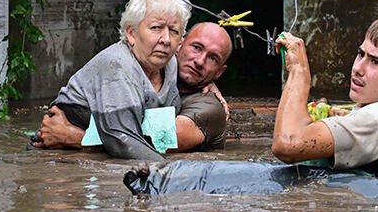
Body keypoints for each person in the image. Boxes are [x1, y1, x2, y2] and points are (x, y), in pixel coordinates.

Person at [37, 0, 191, 161]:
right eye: (156, 28)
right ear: (131, 34)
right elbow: (123, 141)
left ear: (181, 40)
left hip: (90, 151)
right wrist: (175, 174)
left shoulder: (171, 64)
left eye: (173, 31)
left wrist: (211, 86)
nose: (165, 39)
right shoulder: (117, 64)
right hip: (59, 161)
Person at [271, 16, 378, 175]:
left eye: (375, 62)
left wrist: (299, 70)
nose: (358, 68)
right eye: (361, 54)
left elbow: (288, 144)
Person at [36, 21, 234, 154]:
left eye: (212, 58)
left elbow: (155, 144)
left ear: (219, 72)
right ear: (178, 45)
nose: (200, 61)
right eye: (196, 48)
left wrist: (71, 137)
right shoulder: (151, 71)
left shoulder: (210, 108)